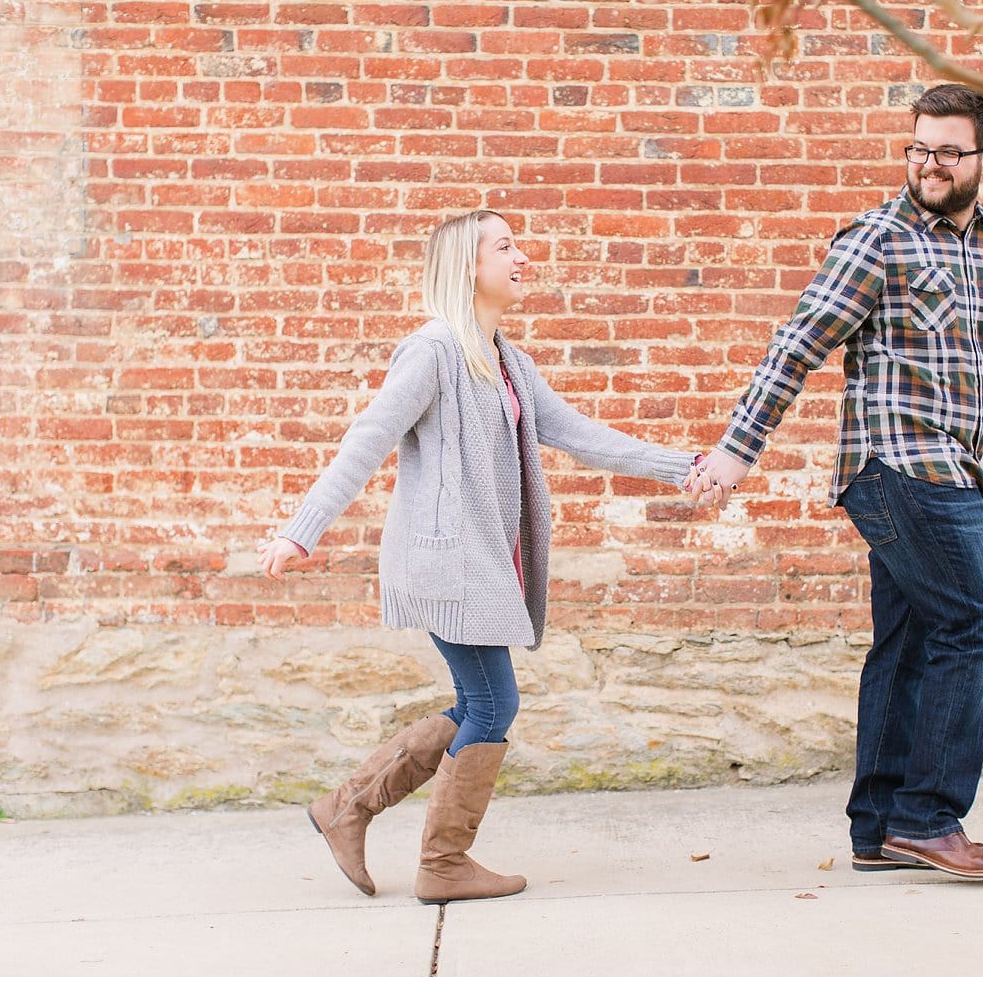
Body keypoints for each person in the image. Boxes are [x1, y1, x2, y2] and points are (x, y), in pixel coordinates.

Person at [259, 210, 699, 903]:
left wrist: (685, 467)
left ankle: (348, 805)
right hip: (445, 561)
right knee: (494, 703)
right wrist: (300, 529)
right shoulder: (433, 350)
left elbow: (579, 434)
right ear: (468, 264)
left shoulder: (507, 360)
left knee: (476, 702)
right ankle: (442, 861)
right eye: (505, 245)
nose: (522, 254)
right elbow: (366, 439)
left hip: (476, 561)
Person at [687, 84, 983, 880]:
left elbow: (976, 374)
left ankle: (877, 825)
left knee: (910, 642)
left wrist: (982, 467)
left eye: (946, 150)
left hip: (952, 471)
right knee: (980, 625)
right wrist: (738, 451)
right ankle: (928, 816)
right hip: (897, 466)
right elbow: (797, 343)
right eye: (917, 147)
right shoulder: (877, 239)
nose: (928, 164)